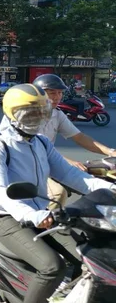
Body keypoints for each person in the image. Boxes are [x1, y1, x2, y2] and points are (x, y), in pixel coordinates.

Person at [0, 83, 115, 303]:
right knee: (53, 266)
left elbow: (74, 176)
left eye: (39, 113)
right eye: (28, 113)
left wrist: (111, 188)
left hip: (41, 214)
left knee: (84, 258)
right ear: (12, 114)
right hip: (7, 217)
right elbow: (0, 191)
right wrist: (32, 215)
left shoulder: (41, 143)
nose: (35, 119)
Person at [32, 74, 116, 205]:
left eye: (59, 93)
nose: (57, 97)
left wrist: (110, 152)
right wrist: (67, 161)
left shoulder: (57, 114)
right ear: (38, 94)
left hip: (51, 162)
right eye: (52, 93)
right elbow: (35, 147)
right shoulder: (26, 116)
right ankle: (43, 223)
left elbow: (79, 137)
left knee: (102, 176)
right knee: (57, 194)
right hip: (32, 165)